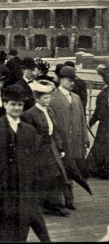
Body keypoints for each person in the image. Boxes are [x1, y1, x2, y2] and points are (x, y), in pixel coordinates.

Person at [0, 84, 39, 242]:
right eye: (13, 104)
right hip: (0, 197)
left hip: (22, 195)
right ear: (5, 104)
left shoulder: (29, 131)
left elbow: (33, 162)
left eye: (20, 104)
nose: (16, 108)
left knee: (19, 234)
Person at [22, 80, 69, 218]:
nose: (48, 100)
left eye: (49, 97)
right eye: (45, 98)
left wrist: (60, 147)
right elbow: (28, 135)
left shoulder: (49, 110)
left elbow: (55, 130)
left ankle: (56, 205)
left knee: (56, 175)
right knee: (43, 177)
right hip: (39, 150)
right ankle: (44, 205)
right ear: (37, 98)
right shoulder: (29, 114)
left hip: (51, 147)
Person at [49, 66, 89, 210]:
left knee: (72, 169)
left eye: (74, 80)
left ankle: (69, 199)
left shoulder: (76, 98)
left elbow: (82, 118)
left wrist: (85, 138)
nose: (72, 83)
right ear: (61, 80)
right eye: (69, 80)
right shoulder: (53, 98)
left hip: (76, 141)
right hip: (62, 141)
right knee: (62, 170)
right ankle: (65, 199)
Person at [88, 65, 109, 179]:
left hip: (105, 125)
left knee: (102, 146)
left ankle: (102, 169)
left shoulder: (103, 95)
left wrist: (91, 122)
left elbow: (99, 112)